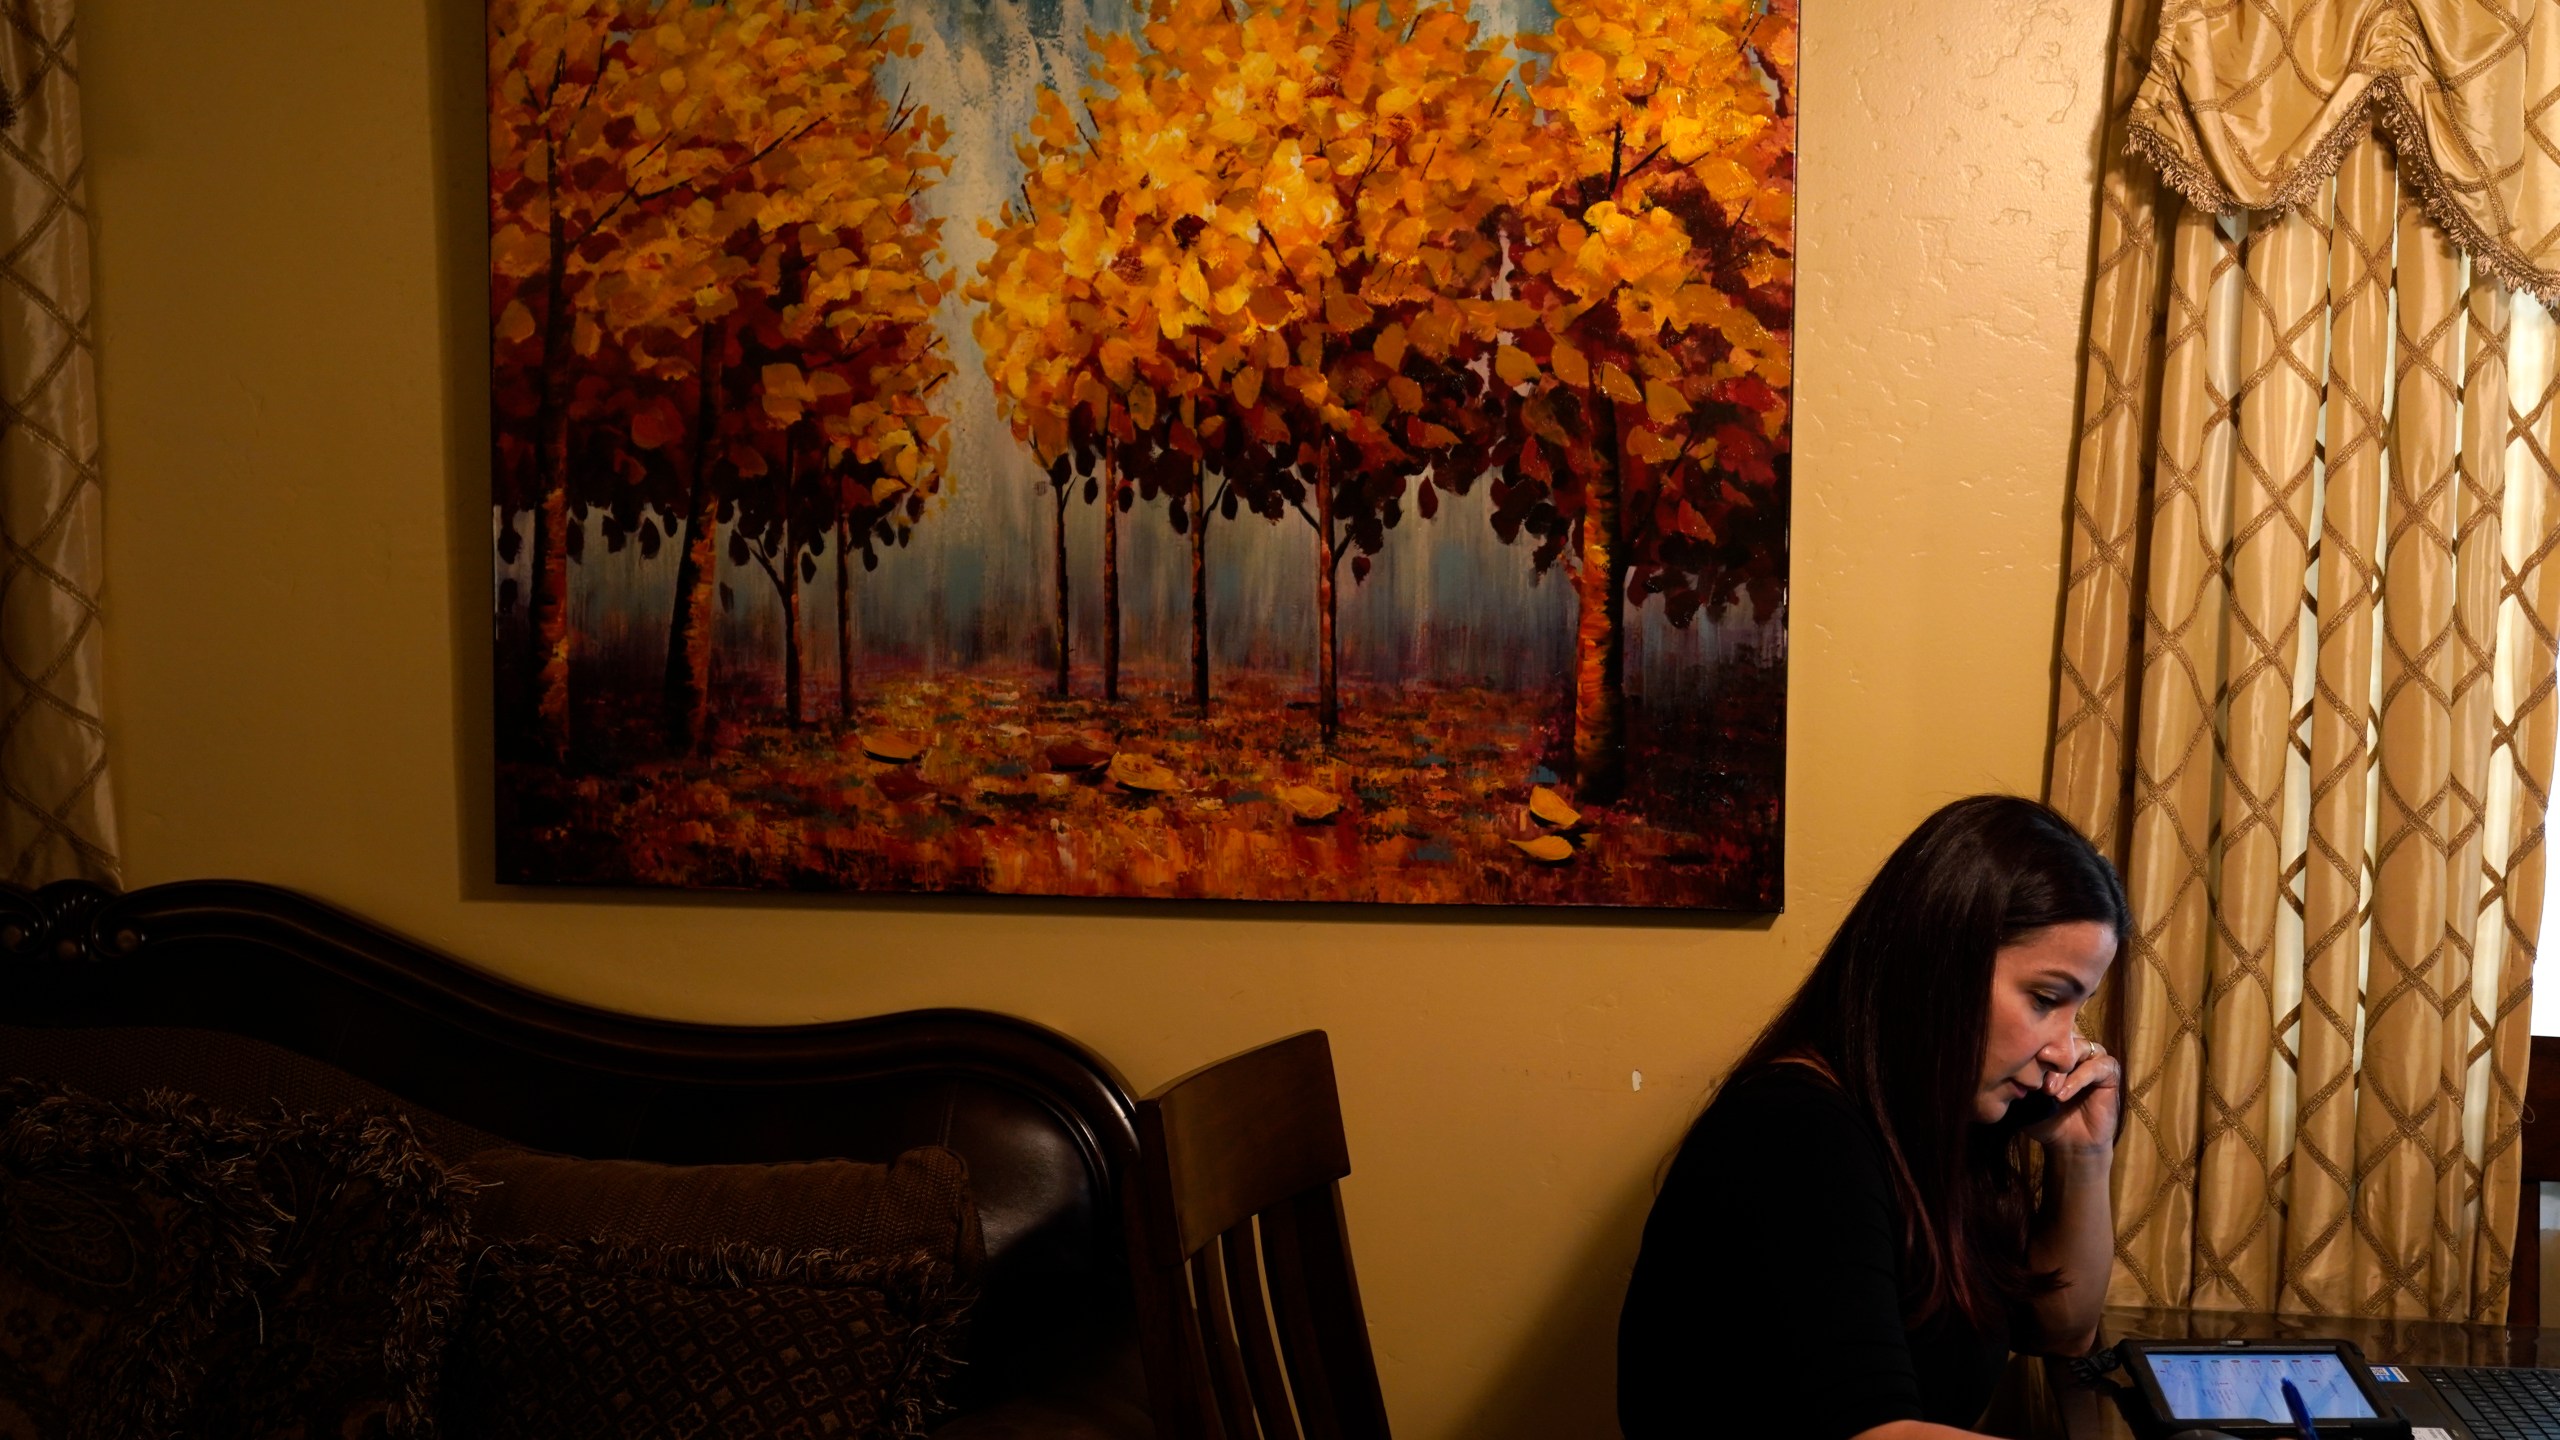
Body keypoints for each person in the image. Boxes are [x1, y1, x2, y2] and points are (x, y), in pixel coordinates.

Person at [1618, 794, 2128, 1440]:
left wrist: (2084, 1156)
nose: (2063, 1048)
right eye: (2046, 998)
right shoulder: (1793, 1132)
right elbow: (1874, 1433)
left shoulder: (1942, 1125)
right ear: (1941, 964)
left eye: (2074, 1012)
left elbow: (2063, 1331)